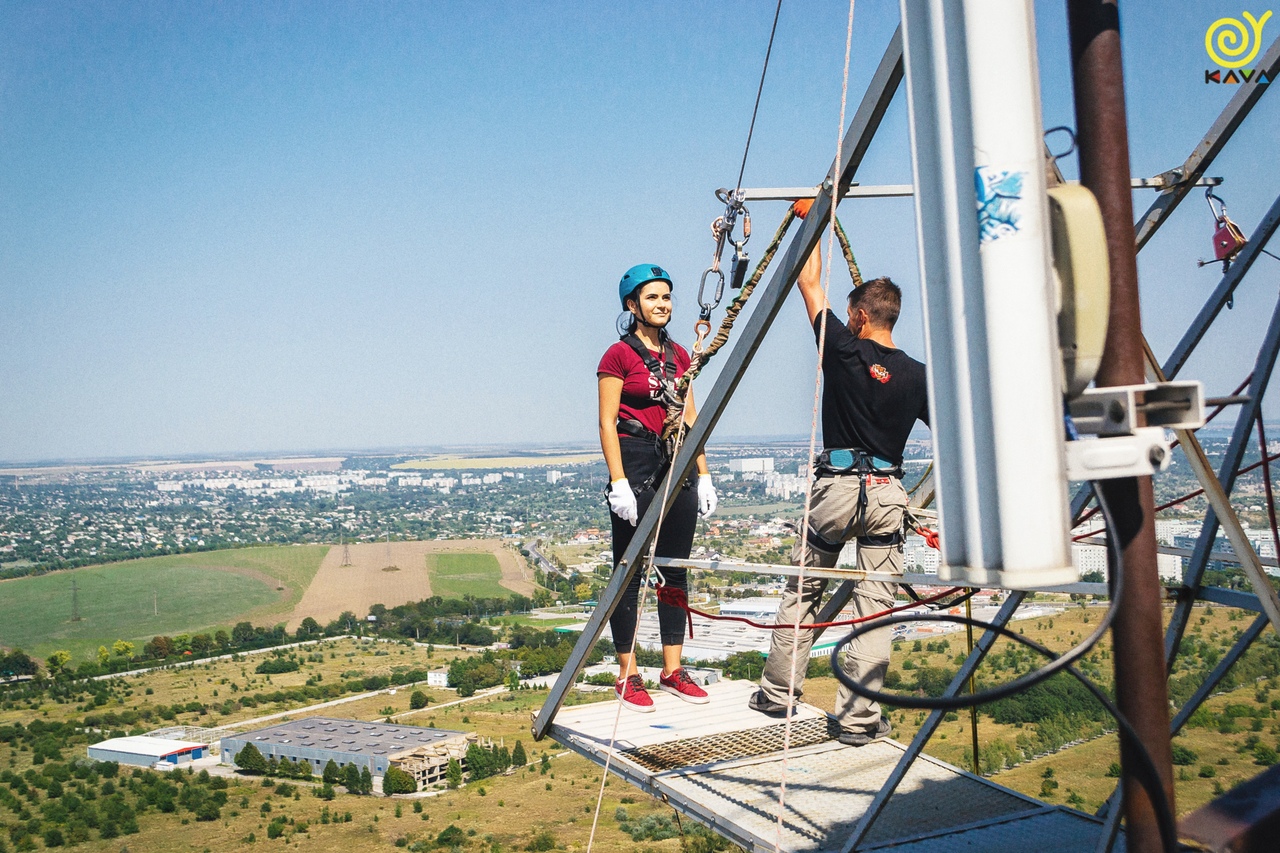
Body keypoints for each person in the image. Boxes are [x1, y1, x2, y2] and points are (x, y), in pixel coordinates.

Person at [748, 246, 929, 746]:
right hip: (887, 491)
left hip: (837, 487)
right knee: (874, 608)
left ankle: (779, 693)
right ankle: (857, 719)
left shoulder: (844, 351)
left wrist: (816, 220)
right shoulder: (917, 375)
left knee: (803, 589)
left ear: (859, 316)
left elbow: (809, 283)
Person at [597, 263, 719, 713]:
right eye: (652, 297)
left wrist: (703, 472)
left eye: (666, 297)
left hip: (676, 461)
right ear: (632, 305)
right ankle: (628, 675)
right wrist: (618, 482)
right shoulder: (618, 356)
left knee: (675, 566)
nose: (662, 304)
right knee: (629, 569)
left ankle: (672, 670)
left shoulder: (681, 356)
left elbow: (690, 419)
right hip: (636, 460)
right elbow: (607, 422)